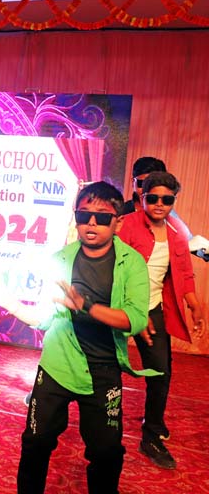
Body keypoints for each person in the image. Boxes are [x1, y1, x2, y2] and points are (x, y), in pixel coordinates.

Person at [0, 181, 156, 493]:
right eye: (83, 215)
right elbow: (44, 319)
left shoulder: (132, 262)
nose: (91, 223)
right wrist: (7, 302)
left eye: (102, 217)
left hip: (104, 369)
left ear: (119, 222)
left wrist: (86, 306)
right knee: (35, 442)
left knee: (106, 452)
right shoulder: (60, 259)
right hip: (58, 365)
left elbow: (135, 320)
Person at [118, 171, 205, 469]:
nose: (159, 204)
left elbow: (184, 272)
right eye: (152, 198)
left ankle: (151, 435)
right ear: (141, 197)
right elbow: (114, 271)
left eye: (166, 200)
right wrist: (134, 313)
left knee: (160, 372)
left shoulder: (177, 231)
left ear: (173, 201)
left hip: (153, 309)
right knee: (99, 367)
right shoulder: (127, 225)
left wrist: (194, 304)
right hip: (119, 307)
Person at [125, 156, 208, 261]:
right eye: (142, 184)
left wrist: (203, 250)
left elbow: (192, 243)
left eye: (155, 185)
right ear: (133, 182)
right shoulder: (121, 214)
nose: (148, 190)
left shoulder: (170, 216)